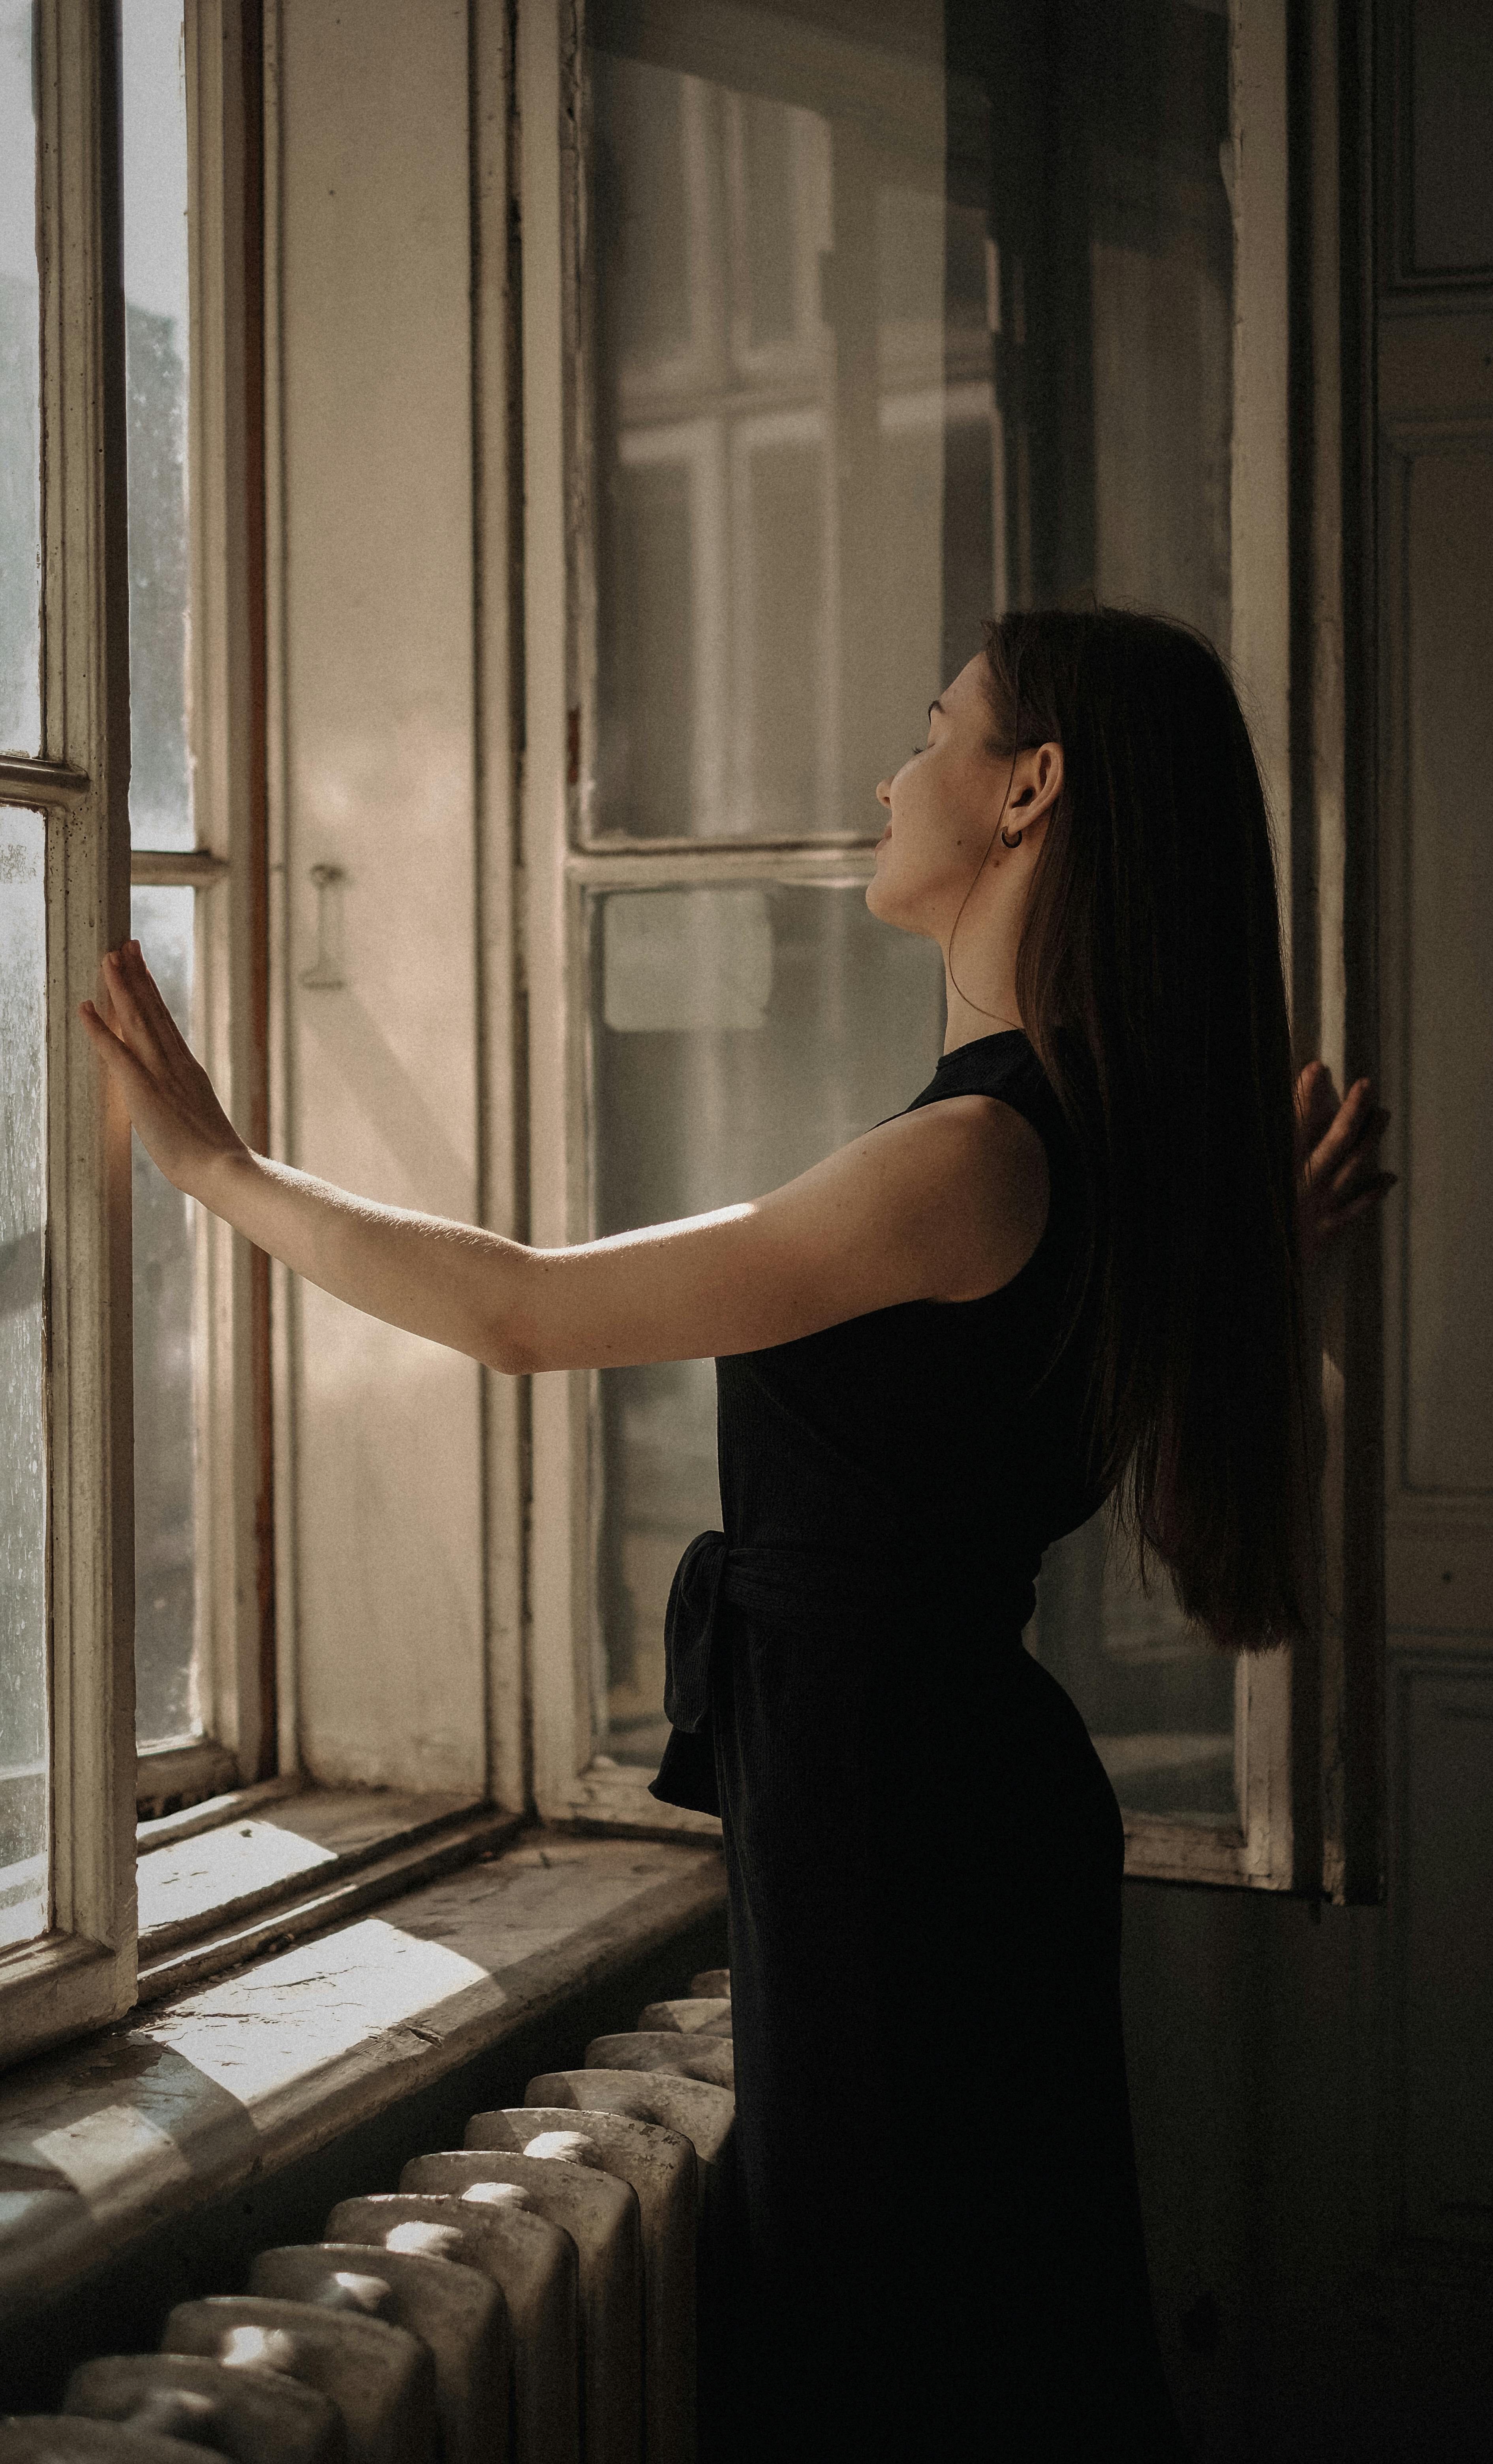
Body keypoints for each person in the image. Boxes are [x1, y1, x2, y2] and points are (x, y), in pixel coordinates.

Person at [83, 605, 1391, 2460]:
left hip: (899, 1825)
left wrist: (218, 1169)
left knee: (895, 2350)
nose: (884, 777)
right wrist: (1262, 1245)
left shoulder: (978, 1159)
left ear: (1027, 792)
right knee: (971, 2334)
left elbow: (521, 1312)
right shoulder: (1081, 1146)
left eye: (926, 731)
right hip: (930, 1800)